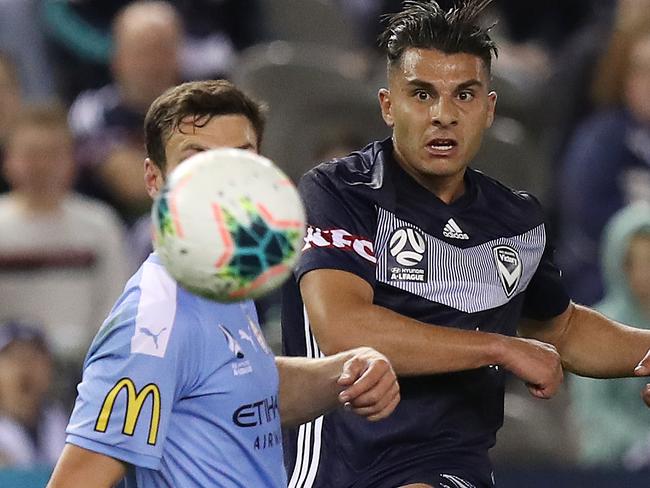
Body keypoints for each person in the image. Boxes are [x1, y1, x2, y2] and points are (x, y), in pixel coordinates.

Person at [280, 1, 650, 487]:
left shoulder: (516, 219)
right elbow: (345, 331)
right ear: (388, 106)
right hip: (342, 469)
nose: (444, 115)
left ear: (489, 108)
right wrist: (499, 346)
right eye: (422, 94)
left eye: (464, 95)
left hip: (455, 469)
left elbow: (562, 330)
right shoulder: (338, 192)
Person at [46, 79, 400, 488]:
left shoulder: (224, 284)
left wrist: (342, 372)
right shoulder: (153, 324)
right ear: (154, 179)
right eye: (197, 160)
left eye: (239, 160)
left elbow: (239, 392)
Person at [0, 103, 129, 364]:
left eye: (52, 154)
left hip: (87, 364)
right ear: (9, 161)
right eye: (32, 154)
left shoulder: (100, 224)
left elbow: (117, 307)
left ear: (72, 161)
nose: (42, 165)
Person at [68, 1, 182, 223]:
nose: (153, 63)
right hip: (114, 232)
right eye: (142, 52)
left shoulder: (201, 109)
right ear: (117, 58)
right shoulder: (91, 110)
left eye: (162, 50)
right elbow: (132, 186)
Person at [570, 203, 650, 467]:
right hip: (611, 464)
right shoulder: (596, 323)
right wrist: (638, 443)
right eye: (639, 262)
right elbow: (593, 408)